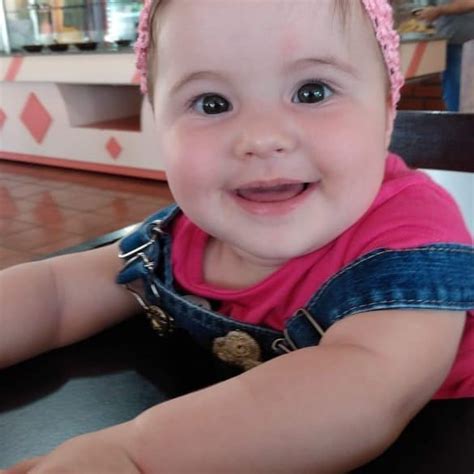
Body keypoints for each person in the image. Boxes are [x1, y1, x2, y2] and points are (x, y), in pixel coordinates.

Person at [1, 0, 473, 472]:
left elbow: (364, 387)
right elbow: (59, 293)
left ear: (387, 110)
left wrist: (137, 457)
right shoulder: (184, 235)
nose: (261, 137)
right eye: (212, 104)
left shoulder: (413, 234)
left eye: (312, 92)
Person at [417, 0, 474, 111]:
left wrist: (438, 11)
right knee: (454, 93)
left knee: (460, 97)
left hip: (465, 42)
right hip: (451, 41)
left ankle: (460, 125)